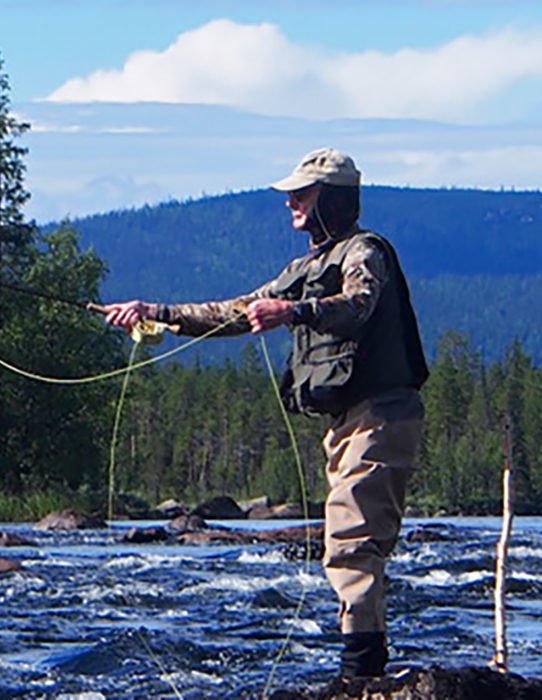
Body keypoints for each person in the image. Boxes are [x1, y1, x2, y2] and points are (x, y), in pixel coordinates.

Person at [103, 147, 428, 679]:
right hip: (347, 421)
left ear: (334, 199)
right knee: (349, 540)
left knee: (352, 542)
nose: (291, 203)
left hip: (383, 413)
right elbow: (233, 312)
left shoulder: (364, 252)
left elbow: (359, 305)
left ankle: (361, 676)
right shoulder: (303, 268)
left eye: (302, 193)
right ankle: (363, 671)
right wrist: (154, 314)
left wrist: (293, 311)